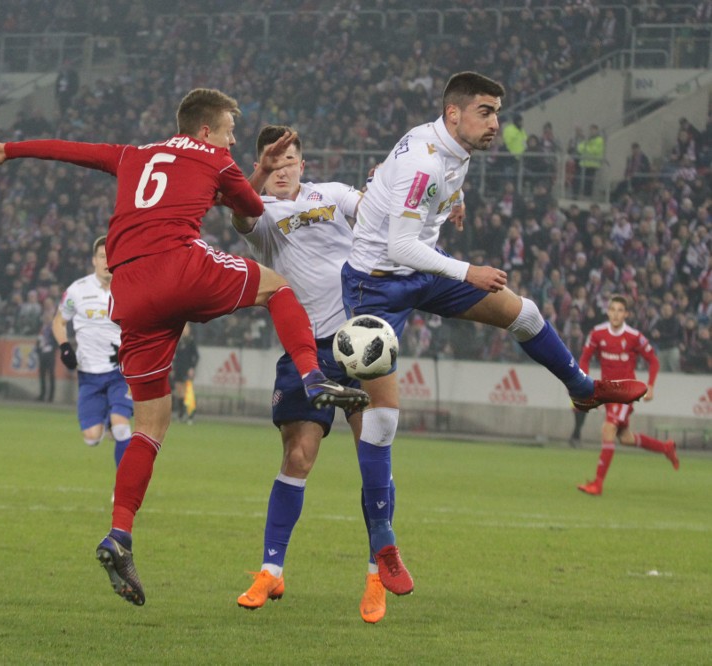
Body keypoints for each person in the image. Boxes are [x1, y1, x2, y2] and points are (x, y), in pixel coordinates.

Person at [0, 88, 368, 608]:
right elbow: (248, 208)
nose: (232, 138)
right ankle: (314, 375)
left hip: (130, 292)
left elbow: (74, 149)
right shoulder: (217, 159)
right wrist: (256, 171)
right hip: (179, 266)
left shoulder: (133, 155)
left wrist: (10, 150)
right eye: (228, 130)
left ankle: (120, 534)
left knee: (150, 423)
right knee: (278, 288)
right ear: (206, 131)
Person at [339, 71, 648, 597]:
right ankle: (384, 539)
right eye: (486, 111)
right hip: (376, 286)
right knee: (384, 419)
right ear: (454, 113)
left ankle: (581, 388)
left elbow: (412, 199)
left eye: (497, 112)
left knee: (523, 312)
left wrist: (448, 206)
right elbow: (398, 246)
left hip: (421, 273)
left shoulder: (448, 149)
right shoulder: (425, 161)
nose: (496, 123)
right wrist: (467, 270)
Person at [231, 125, 387, 623]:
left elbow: (374, 212)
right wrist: (253, 181)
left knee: (372, 460)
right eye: (272, 164)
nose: (281, 171)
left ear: (303, 163)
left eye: (289, 161)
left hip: (361, 339)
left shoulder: (334, 194)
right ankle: (271, 569)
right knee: (298, 456)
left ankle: (376, 574)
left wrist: (384, 188)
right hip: (304, 351)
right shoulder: (262, 214)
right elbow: (237, 213)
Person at [576, 296, 679, 496]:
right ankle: (666, 448)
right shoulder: (597, 333)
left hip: (626, 393)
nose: (615, 313)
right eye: (612, 309)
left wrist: (650, 386)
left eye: (620, 310)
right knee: (626, 438)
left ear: (626, 314)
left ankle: (597, 484)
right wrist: (584, 385)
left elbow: (654, 361)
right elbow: (585, 359)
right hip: (607, 392)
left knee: (608, 429)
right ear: (608, 312)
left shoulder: (634, 336)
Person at [53, 236, 133, 468]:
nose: (107, 261)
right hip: (89, 374)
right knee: (92, 438)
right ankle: (106, 419)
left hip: (120, 372)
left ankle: (123, 489)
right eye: (102, 256)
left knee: (120, 426)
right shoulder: (77, 290)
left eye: (111, 255)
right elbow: (59, 322)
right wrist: (65, 347)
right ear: (94, 260)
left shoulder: (130, 287)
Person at [171, 323, 199, 423]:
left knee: (188, 393)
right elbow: (174, 356)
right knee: (179, 392)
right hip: (178, 369)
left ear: (189, 329)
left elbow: (196, 356)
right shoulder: (177, 341)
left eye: (186, 328)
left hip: (187, 369)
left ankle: (191, 414)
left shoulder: (190, 341)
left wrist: (192, 367)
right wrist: (173, 368)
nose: (184, 330)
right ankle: (181, 414)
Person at [36, 310, 58, 402]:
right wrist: (38, 349)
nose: (46, 319)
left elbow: (57, 341)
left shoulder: (53, 328)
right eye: (45, 318)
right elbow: (38, 340)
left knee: (51, 374)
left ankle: (51, 397)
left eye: (48, 318)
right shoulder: (42, 329)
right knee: (42, 374)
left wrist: (52, 348)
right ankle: (42, 394)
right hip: (42, 353)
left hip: (50, 353)